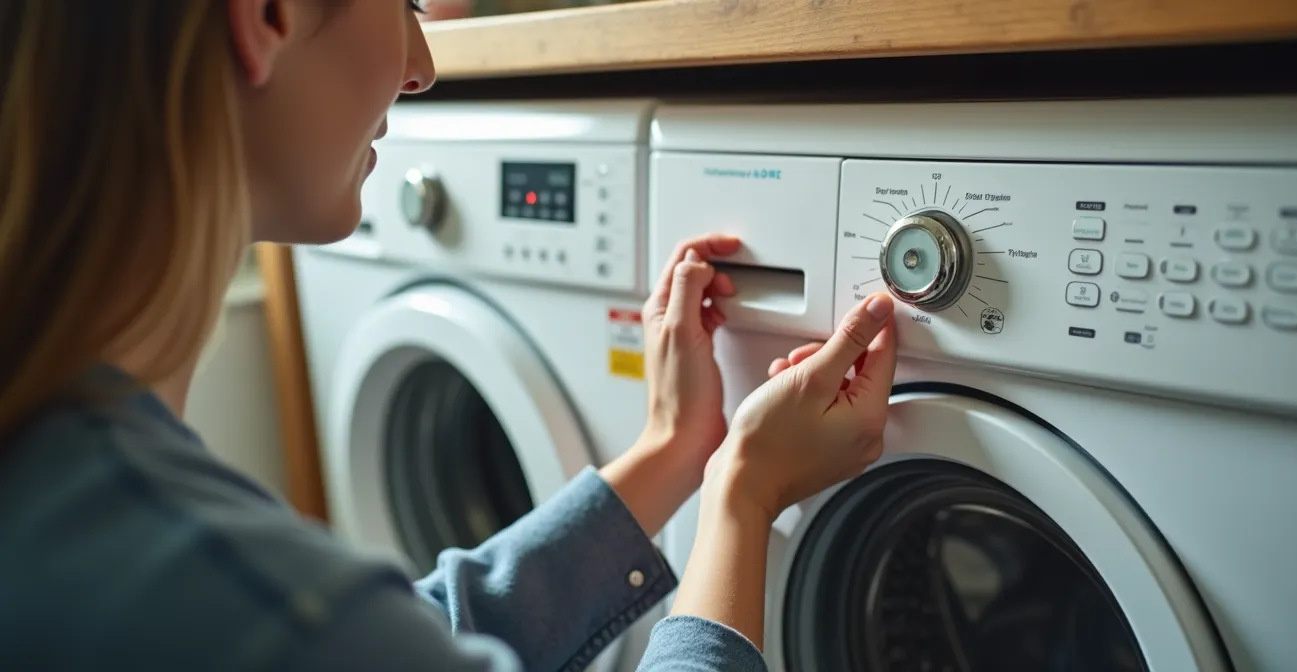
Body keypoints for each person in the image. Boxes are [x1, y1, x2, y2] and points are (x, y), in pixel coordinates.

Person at [0, 2, 899, 670]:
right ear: (266, 16)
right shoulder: (261, 610)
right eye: (407, 3)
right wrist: (740, 495)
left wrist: (674, 451)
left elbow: (402, 633)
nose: (422, 64)